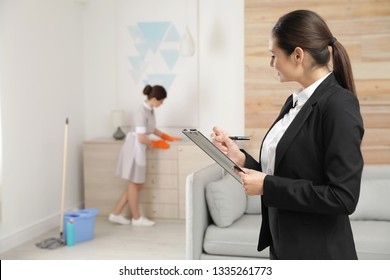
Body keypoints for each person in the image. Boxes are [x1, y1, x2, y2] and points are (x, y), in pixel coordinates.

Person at [212, 10, 364, 259]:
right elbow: (287, 172)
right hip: (284, 245)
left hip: (318, 255)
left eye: (274, 56)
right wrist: (241, 159)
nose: (271, 64)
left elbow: (343, 197)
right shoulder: (296, 101)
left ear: (297, 55)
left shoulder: (338, 104)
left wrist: (267, 186)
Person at [109, 85, 182, 226]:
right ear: (154, 99)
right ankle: (136, 218)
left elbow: (151, 128)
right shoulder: (140, 112)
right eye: (161, 101)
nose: (162, 103)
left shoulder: (150, 110)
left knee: (137, 184)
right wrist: (157, 144)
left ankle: (116, 213)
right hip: (134, 148)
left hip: (139, 148)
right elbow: (142, 138)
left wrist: (166, 136)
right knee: (134, 183)